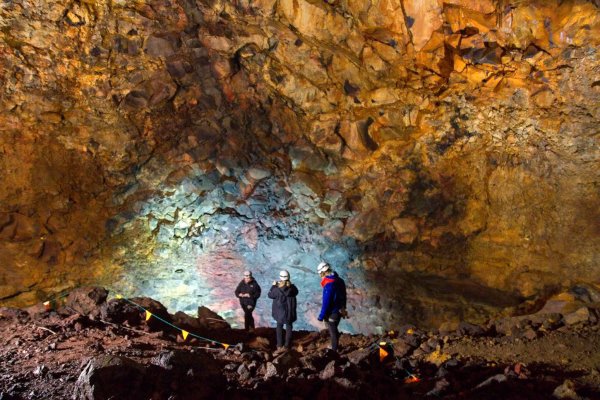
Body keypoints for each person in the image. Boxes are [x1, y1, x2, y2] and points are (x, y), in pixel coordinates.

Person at [316, 261, 347, 352]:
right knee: (334, 330)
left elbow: (326, 302)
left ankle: (334, 350)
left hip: (332, 312)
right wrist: (343, 308)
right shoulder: (340, 280)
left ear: (322, 273)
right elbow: (344, 296)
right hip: (339, 310)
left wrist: (321, 316)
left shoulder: (329, 284)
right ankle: (335, 346)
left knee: (332, 331)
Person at [268, 270, 298, 354]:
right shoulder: (293, 288)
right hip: (289, 313)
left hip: (280, 314)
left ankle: (279, 345)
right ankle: (287, 346)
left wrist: (273, 286)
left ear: (280, 278)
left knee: (279, 327)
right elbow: (296, 292)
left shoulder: (277, 290)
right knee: (289, 327)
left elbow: (270, 295)